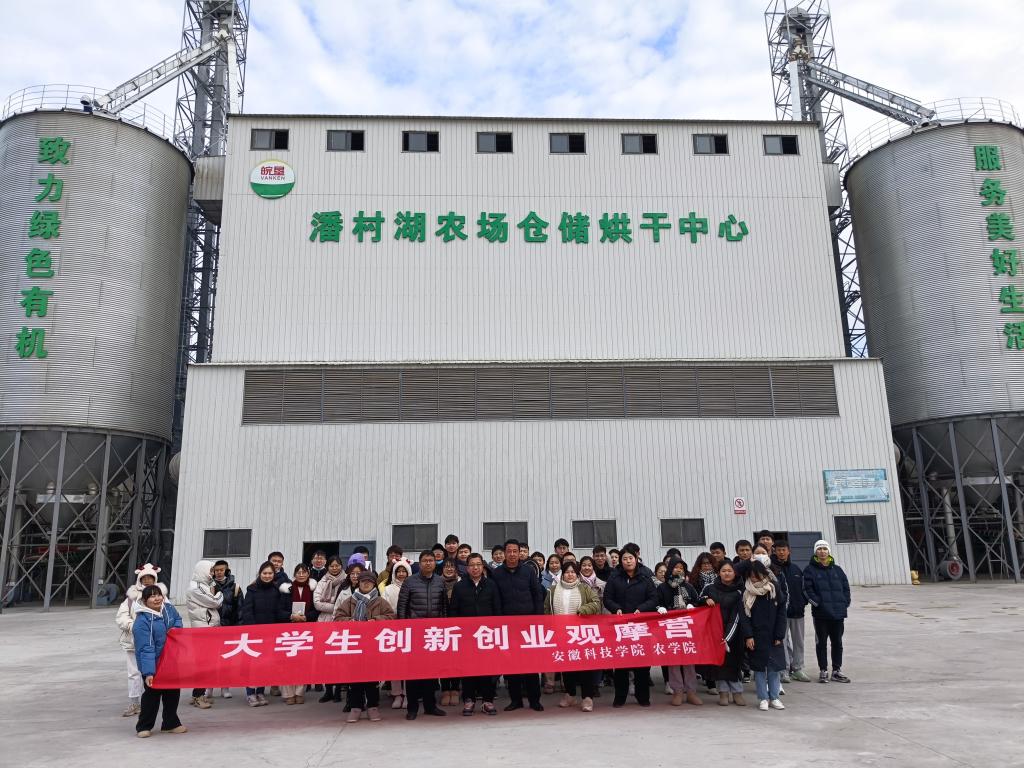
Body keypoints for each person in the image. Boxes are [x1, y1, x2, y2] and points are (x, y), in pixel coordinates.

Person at [492, 539, 545, 712]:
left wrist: (538, 619)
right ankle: (515, 700)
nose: (512, 554)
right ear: (504, 553)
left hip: (528, 625)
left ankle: (535, 700)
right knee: (512, 665)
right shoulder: (497, 573)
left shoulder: (528, 571)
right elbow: (496, 599)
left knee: (531, 664)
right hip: (508, 626)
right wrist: (499, 622)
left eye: (515, 551)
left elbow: (537, 594)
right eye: (509, 551)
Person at [335, 571, 395, 722]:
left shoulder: (380, 601)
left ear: (374, 584)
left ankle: (373, 706)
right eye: (363, 581)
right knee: (354, 679)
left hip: (373, 646)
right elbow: (338, 618)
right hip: (354, 646)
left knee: (372, 679)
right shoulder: (350, 601)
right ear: (358, 583)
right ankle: (356, 707)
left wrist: (376, 620)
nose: (366, 583)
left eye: (369, 581)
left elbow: (391, 617)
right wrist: (350, 622)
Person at [448, 553, 503, 716]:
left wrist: (497, 630)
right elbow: (453, 611)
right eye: (472, 565)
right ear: (467, 568)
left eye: (478, 564)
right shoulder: (459, 587)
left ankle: (487, 701)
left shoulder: (491, 585)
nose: (475, 568)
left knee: (487, 668)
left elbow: (497, 609)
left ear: (483, 566)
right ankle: (469, 700)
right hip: (466, 636)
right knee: (468, 669)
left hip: (487, 635)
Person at [544, 561, 601, 711]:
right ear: (563, 574)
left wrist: (584, 609)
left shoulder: (584, 588)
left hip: (581, 635)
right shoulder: (553, 590)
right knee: (567, 666)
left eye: (573, 572)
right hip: (561, 634)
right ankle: (570, 695)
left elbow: (596, 603)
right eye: (567, 572)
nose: (570, 575)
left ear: (577, 574)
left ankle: (587, 698)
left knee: (585, 667)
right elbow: (547, 609)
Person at [603, 550, 658, 707]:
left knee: (642, 664)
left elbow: (654, 598)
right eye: (625, 559)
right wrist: (616, 608)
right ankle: (620, 697)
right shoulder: (615, 578)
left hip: (641, 626)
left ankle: (643, 696)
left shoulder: (645, 578)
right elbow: (607, 598)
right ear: (621, 561)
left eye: (630, 558)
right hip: (621, 627)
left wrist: (642, 608)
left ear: (636, 559)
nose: (628, 561)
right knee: (621, 664)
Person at [397, 550, 448, 719]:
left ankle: (430, 706)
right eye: (425, 560)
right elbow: (402, 607)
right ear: (420, 563)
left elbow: (444, 607)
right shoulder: (410, 582)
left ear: (434, 563)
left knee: (431, 673)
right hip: (414, 634)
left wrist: (443, 628)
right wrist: (404, 630)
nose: (428, 563)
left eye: (431, 560)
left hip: (433, 634)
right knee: (413, 673)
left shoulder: (440, 581)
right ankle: (412, 708)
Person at [132, 584, 186, 738]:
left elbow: (178, 620)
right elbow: (146, 648)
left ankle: (170, 723)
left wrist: (175, 630)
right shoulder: (142, 621)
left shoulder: (168, 609)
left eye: (158, 595)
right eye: (152, 596)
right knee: (152, 695)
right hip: (153, 663)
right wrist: (149, 672)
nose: (156, 599)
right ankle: (144, 726)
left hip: (171, 661)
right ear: (145, 600)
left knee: (172, 693)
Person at [116, 564, 166, 717]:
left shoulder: (162, 597)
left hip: (156, 643)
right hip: (133, 642)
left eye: (150, 578)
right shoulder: (131, 598)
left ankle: (150, 702)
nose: (147, 580)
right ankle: (134, 702)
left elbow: (169, 616)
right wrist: (136, 627)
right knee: (134, 673)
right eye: (144, 578)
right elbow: (121, 617)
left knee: (153, 672)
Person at [240, 561, 291, 706]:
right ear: (260, 574)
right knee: (252, 665)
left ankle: (260, 692)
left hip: (270, 635)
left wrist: (291, 616)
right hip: (254, 635)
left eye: (270, 573)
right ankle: (250, 693)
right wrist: (254, 631)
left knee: (265, 664)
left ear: (273, 575)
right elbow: (247, 612)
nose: (267, 576)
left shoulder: (276, 590)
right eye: (265, 573)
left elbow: (279, 612)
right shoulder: (252, 589)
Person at [740, 560, 787, 711]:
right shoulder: (746, 592)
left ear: (764, 574)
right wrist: (748, 636)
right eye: (751, 576)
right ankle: (763, 698)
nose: (754, 578)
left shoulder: (773, 589)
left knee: (774, 668)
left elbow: (781, 613)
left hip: (773, 635)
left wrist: (779, 635)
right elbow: (744, 617)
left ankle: (774, 697)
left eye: (757, 575)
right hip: (756, 636)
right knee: (759, 669)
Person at [803, 540, 852, 684]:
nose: (822, 551)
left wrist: (845, 602)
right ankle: (823, 670)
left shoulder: (837, 570)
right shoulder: (810, 570)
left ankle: (836, 670)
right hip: (821, 614)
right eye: (819, 549)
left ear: (829, 551)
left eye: (825, 549)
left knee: (837, 642)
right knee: (821, 643)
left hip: (838, 614)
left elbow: (846, 588)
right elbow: (807, 589)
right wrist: (817, 603)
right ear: (815, 552)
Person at [700, 560, 747, 706]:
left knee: (734, 663)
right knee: (719, 664)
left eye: (729, 571)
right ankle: (723, 693)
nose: (727, 573)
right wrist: (705, 600)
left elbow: (738, 616)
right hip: (715, 632)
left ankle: (737, 692)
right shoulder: (710, 588)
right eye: (723, 571)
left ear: (735, 573)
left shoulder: (741, 590)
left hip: (734, 633)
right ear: (718, 573)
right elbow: (698, 601)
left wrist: (727, 637)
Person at [656, 556, 702, 706]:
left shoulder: (688, 587)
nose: (678, 570)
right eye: (676, 567)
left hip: (687, 628)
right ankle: (677, 691)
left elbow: (696, 601)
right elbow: (656, 603)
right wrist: (660, 608)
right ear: (670, 569)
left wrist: (692, 605)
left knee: (689, 660)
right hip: (670, 628)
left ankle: (691, 691)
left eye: (681, 568)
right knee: (674, 660)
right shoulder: (662, 588)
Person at [185, 559, 223, 710]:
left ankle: (198, 694)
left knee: (207, 664)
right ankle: (198, 696)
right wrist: (220, 594)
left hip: (208, 628)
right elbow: (214, 602)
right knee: (203, 664)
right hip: (203, 630)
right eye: (211, 570)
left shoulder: (204, 586)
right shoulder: (195, 588)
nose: (212, 574)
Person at [772, 540, 809, 683]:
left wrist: (803, 603)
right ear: (775, 551)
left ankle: (798, 668)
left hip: (798, 612)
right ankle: (784, 670)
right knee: (782, 642)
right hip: (781, 613)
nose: (781, 552)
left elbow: (803, 588)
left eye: (784, 550)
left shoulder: (796, 569)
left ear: (789, 551)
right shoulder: (773, 569)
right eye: (779, 550)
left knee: (799, 642)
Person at [280, 564, 318, 705]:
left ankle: (299, 692)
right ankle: (288, 694)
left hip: (306, 630)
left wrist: (306, 617)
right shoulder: (286, 590)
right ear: (294, 574)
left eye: (304, 572)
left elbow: (316, 609)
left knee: (303, 663)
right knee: (287, 664)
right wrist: (291, 616)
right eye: (298, 572)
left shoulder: (313, 590)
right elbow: (279, 609)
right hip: (288, 631)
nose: (301, 575)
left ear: (308, 574)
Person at [313, 556, 347, 704]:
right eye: (332, 566)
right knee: (326, 659)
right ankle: (328, 691)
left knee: (339, 659)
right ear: (328, 567)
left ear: (341, 566)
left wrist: (335, 607)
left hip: (340, 622)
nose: (334, 568)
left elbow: (347, 602)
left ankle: (338, 691)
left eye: (337, 565)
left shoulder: (346, 581)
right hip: (324, 622)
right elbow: (317, 603)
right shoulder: (322, 582)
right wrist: (336, 606)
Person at [381, 556, 412, 709]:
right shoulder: (388, 589)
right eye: (398, 571)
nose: (401, 574)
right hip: (392, 629)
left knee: (408, 664)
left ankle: (407, 694)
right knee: (394, 664)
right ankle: (397, 694)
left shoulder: (413, 586)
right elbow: (384, 608)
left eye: (404, 571)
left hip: (409, 629)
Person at [438, 559, 462, 705]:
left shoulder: (461, 583)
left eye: (452, 566)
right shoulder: (437, 583)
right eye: (446, 567)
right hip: (441, 627)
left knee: (456, 660)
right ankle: (445, 689)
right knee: (443, 661)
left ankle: (456, 689)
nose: (449, 569)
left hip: (458, 628)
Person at [212, 560, 242, 628]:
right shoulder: (210, 587)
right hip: (214, 626)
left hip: (231, 627)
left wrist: (239, 626)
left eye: (221, 570)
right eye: (216, 570)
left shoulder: (235, 587)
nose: (219, 572)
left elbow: (240, 609)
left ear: (227, 571)